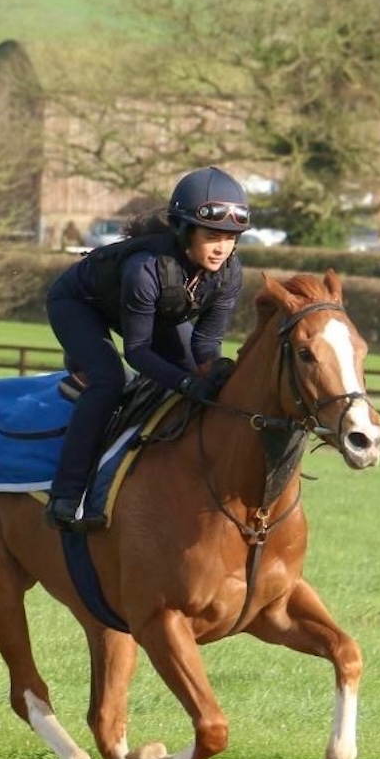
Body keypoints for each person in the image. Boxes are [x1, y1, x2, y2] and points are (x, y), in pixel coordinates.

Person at [43, 166, 250, 532]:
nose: (223, 247)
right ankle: (67, 495)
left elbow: (205, 343)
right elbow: (137, 351)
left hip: (149, 313)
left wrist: (212, 372)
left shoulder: (229, 273)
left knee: (201, 381)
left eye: (232, 237)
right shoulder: (145, 269)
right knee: (109, 380)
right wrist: (186, 385)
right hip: (79, 304)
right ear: (184, 230)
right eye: (212, 235)